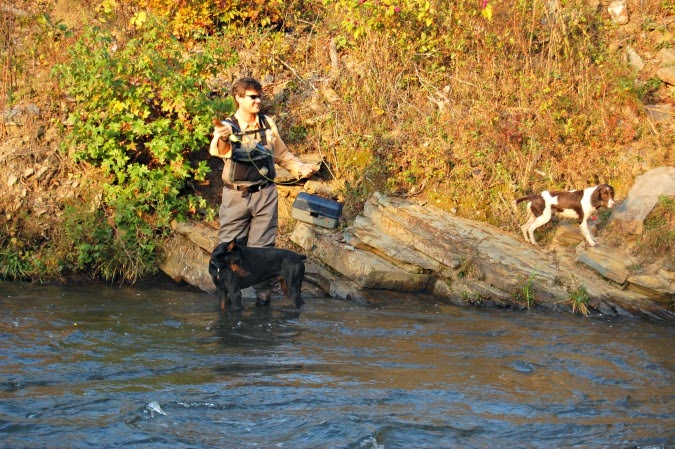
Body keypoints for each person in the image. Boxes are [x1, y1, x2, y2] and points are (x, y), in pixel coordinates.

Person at [209, 77, 316, 304]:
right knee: (227, 247)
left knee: (264, 252)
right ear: (238, 98)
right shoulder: (229, 126)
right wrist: (223, 136)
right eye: (253, 97)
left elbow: (282, 155)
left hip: (266, 194)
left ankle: (262, 302)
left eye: (260, 96)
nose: (258, 100)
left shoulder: (268, 123)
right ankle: (226, 302)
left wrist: (300, 168)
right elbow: (218, 150)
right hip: (235, 196)